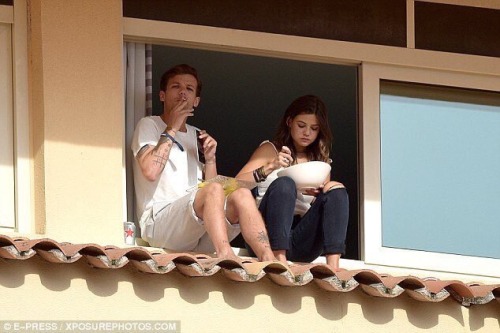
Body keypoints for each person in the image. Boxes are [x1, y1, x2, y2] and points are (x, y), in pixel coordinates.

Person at [131, 64, 275, 262]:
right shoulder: (149, 124)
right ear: (162, 95)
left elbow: (212, 188)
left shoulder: (196, 134)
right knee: (213, 190)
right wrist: (172, 127)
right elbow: (150, 171)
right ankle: (226, 256)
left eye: (189, 89)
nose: (183, 93)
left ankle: (269, 260)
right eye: (176, 87)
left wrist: (210, 159)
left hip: (196, 231)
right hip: (160, 225)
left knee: (241, 194)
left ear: (196, 101)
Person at [236, 95, 349, 270]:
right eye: (301, 125)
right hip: (266, 236)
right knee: (285, 183)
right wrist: (270, 166)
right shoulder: (270, 149)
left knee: (336, 189)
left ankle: (333, 267)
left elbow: (328, 200)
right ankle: (279, 261)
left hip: (301, 239)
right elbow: (233, 185)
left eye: (314, 128)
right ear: (289, 122)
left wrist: (320, 193)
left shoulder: (320, 162)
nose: (307, 133)